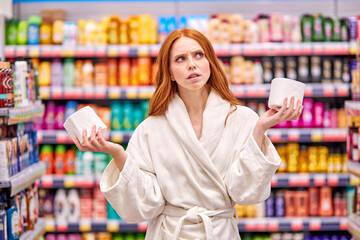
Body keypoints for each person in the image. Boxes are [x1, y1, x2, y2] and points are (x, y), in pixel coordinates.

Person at [74, 28, 302, 240]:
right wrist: (118, 154)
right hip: (171, 233)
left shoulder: (243, 119)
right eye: (180, 59)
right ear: (170, 73)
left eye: (199, 55)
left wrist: (260, 130)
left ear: (210, 63)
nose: (192, 64)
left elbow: (245, 193)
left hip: (219, 233)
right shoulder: (150, 129)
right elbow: (144, 205)